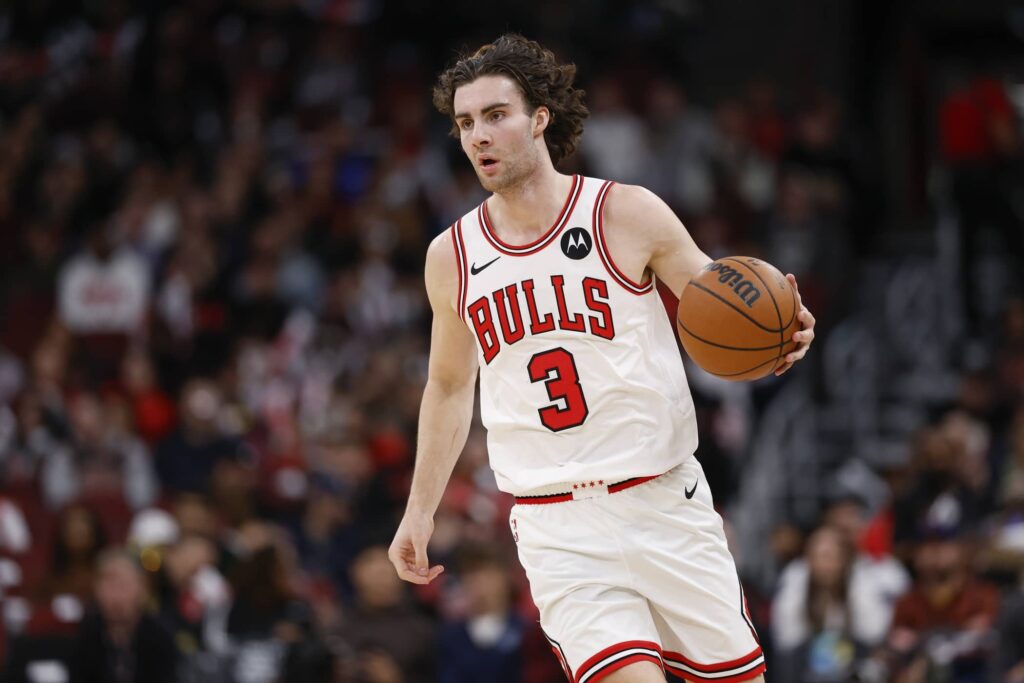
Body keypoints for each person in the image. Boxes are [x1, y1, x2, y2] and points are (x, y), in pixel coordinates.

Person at [388, 34, 815, 683]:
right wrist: (419, 509)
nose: (479, 135)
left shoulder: (625, 212)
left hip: (663, 499)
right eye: (466, 122)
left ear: (539, 117)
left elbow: (721, 296)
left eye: (496, 115)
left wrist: (783, 324)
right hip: (557, 523)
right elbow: (448, 386)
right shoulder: (451, 256)